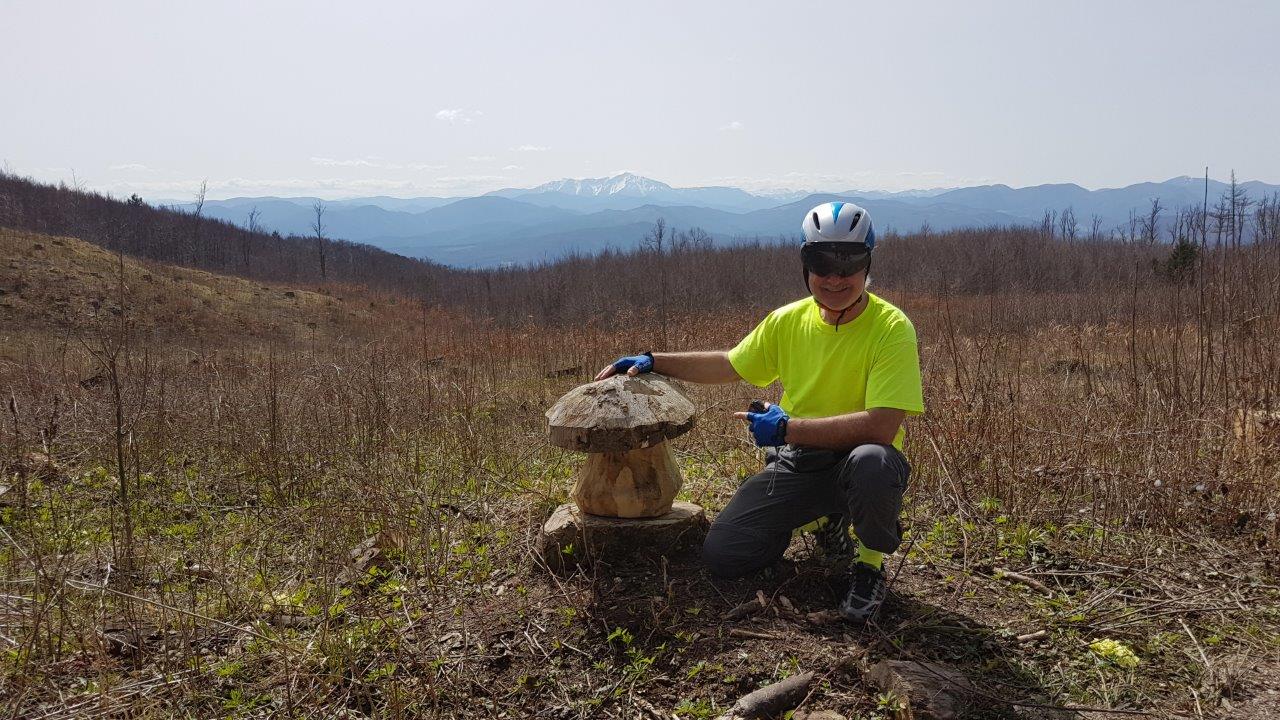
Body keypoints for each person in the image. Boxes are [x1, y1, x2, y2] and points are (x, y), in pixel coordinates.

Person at [594, 201, 924, 622]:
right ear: (805, 263)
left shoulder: (892, 328)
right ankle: (825, 521)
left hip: (860, 463)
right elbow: (730, 364)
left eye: (850, 263)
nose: (835, 278)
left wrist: (788, 429)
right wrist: (655, 359)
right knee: (724, 555)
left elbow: (880, 427)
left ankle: (869, 564)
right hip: (802, 465)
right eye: (821, 262)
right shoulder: (788, 321)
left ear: (868, 263)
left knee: (872, 463)